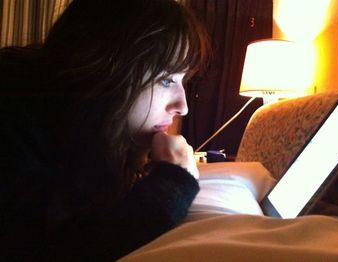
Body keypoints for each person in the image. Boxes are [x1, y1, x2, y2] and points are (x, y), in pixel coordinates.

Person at [0, 0, 209, 260]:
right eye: (166, 79)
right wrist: (174, 183)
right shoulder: (12, 120)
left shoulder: (85, 133)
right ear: (108, 68)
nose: (183, 106)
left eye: (182, 81)